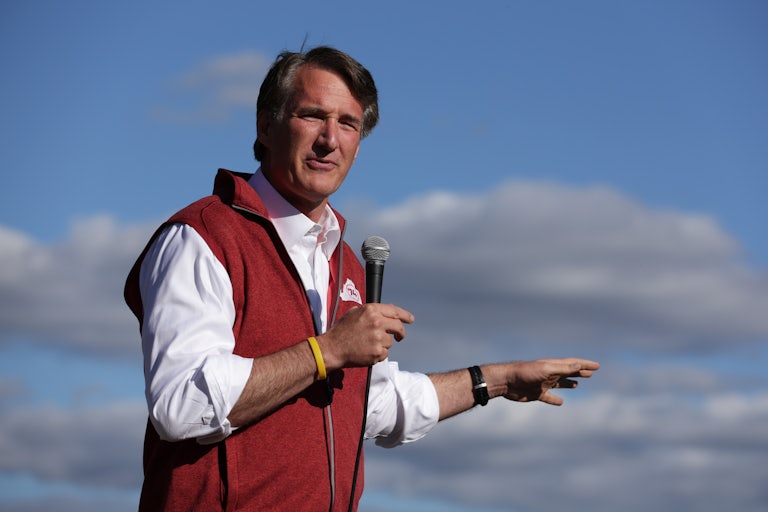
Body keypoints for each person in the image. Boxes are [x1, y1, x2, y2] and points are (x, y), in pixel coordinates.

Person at [124, 46, 600, 512]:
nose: (330, 139)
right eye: (313, 116)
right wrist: (328, 351)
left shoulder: (347, 263)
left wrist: (497, 380)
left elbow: (374, 403)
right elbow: (181, 405)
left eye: (348, 124)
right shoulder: (203, 236)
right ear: (266, 127)